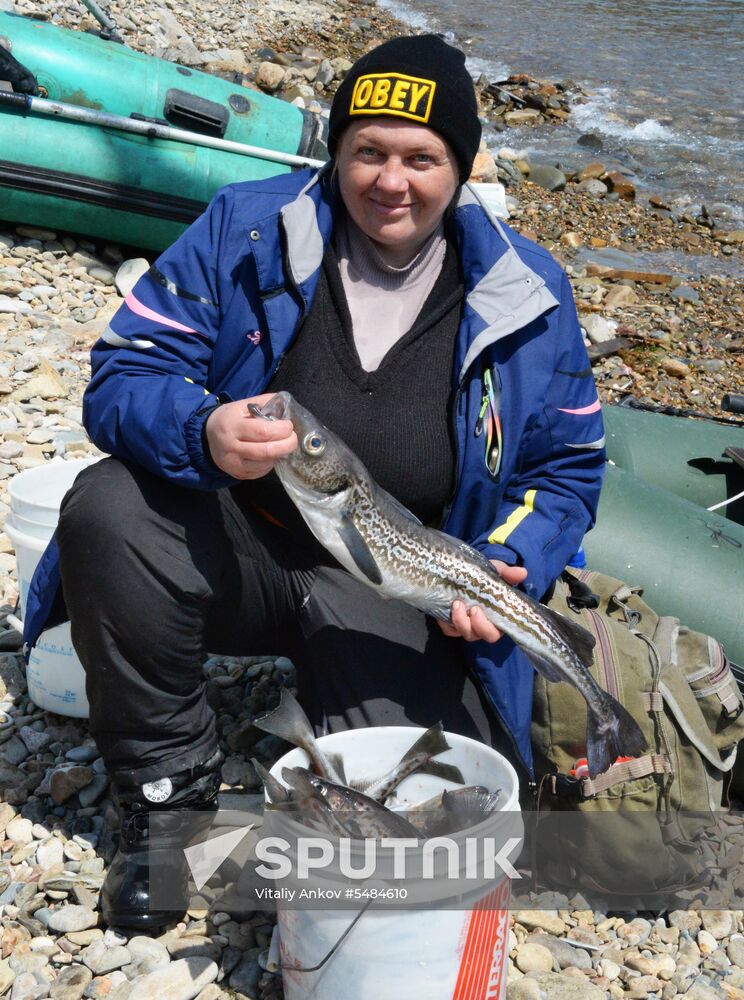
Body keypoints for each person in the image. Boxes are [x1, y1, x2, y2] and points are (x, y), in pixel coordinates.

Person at [24, 34, 605, 929]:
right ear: (336, 152)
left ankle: (330, 726)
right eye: (368, 151)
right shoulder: (244, 228)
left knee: (427, 805)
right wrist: (202, 429)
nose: (391, 181)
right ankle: (162, 807)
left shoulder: (527, 292)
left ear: (461, 166)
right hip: (234, 547)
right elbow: (124, 374)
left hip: (407, 591)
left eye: (423, 157)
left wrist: (508, 556)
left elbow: (567, 470)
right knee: (108, 507)